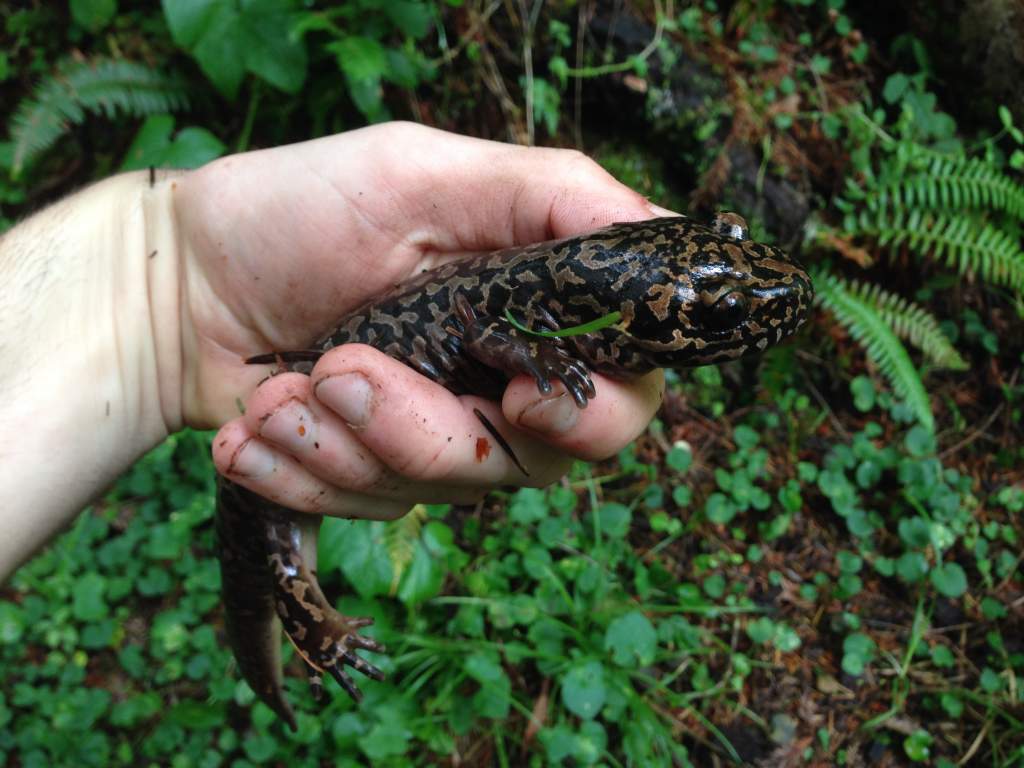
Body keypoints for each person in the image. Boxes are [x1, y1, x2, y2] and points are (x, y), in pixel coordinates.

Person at [0, 122, 669, 579]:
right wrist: (168, 274)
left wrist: (168, 281)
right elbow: (489, 335)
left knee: (279, 494)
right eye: (726, 314)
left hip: (294, 377)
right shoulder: (550, 301)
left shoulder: (567, 295)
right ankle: (302, 617)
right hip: (303, 379)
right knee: (268, 538)